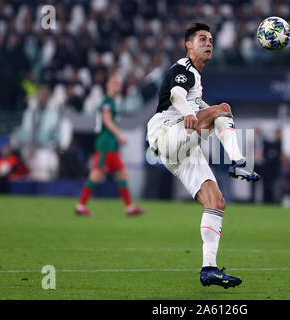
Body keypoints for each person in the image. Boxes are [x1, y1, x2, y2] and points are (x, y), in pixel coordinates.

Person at [146, 23, 260, 289]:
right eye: (201, 39)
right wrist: (188, 112)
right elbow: (176, 94)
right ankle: (239, 162)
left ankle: (209, 269)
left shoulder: (197, 79)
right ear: (189, 45)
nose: (208, 43)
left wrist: (204, 113)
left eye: (210, 39)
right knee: (223, 108)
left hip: (181, 151)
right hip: (167, 133)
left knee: (217, 201)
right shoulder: (184, 70)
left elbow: (211, 113)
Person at [75, 75, 144, 217]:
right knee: (96, 174)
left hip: (110, 145)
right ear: (108, 85)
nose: (118, 86)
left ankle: (129, 207)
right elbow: (106, 120)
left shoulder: (111, 101)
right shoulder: (107, 102)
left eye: (119, 83)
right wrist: (119, 135)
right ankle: (81, 205)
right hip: (105, 144)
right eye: (115, 83)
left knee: (122, 174)